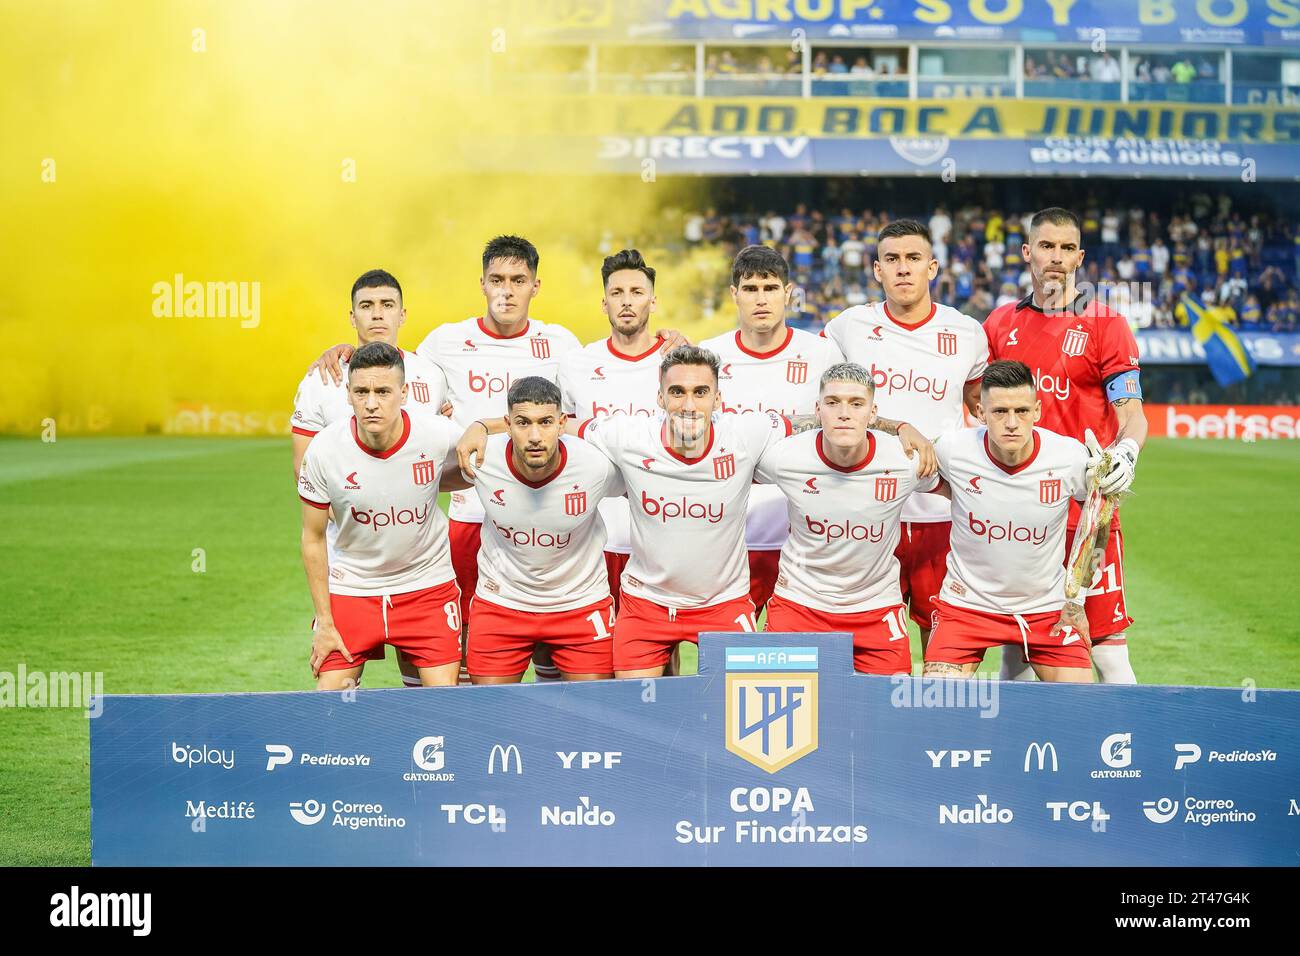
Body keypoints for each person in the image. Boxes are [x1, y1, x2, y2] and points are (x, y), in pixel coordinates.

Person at [457, 346, 934, 679]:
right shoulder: (625, 436)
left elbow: (830, 417)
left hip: (723, 605)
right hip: (645, 606)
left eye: (700, 392)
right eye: (678, 392)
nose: (689, 403)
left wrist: (899, 425)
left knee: (739, 720)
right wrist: (484, 424)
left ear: (717, 399)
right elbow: (548, 419)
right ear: (660, 397)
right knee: (634, 721)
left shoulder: (747, 434)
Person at [983, 207, 1145, 684]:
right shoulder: (999, 324)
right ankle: (1019, 755)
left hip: (1083, 514)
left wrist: (1127, 452)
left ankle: (1127, 754)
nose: (1056, 257)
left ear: (1080, 257)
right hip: (1016, 514)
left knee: (1108, 651)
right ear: (1027, 252)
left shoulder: (1106, 324)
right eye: (1046, 246)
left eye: (1066, 248)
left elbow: (1131, 411)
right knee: (1016, 654)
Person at [822, 218, 989, 651]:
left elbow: (980, 403)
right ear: (876, 270)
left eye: (913, 259)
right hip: (867, 513)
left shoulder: (967, 332)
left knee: (943, 643)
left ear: (932, 267)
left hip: (942, 515)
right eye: (891, 260)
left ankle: (936, 718)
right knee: (867, 640)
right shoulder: (848, 327)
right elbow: (823, 403)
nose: (903, 269)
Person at [291, 269, 450, 687]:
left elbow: (440, 459)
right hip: (350, 564)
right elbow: (306, 475)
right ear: (352, 316)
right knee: (334, 696)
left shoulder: (430, 376)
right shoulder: (322, 379)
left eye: (386, 305)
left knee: (429, 693)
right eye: (366, 306)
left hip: (420, 568)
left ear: (403, 313)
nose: (377, 315)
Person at [756, 363, 938, 674]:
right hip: (799, 605)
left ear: (873, 413)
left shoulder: (905, 460)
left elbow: (965, 489)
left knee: (888, 716)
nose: (844, 413)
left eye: (856, 404)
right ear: (817, 409)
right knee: (782, 715)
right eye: (832, 403)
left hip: (876, 608)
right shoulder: (784, 457)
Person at [923, 360, 1094, 683]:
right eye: (1000, 412)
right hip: (966, 606)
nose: (1012, 423)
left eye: (1022, 411)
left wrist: (1077, 600)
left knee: (1080, 709)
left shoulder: (1070, 457)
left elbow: (1095, 522)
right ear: (979, 412)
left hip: (1047, 609)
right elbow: (913, 469)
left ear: (1038, 411)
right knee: (936, 703)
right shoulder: (952, 450)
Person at [701, 246, 845, 614]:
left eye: (770, 287)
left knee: (801, 660)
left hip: (804, 538)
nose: (761, 298)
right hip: (728, 539)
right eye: (750, 289)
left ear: (788, 292)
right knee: (724, 658)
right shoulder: (709, 356)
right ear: (734, 294)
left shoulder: (822, 354)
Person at [465, 377, 622, 683]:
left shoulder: (595, 466)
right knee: (488, 717)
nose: (535, 436)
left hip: (580, 603)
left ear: (562, 423)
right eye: (523, 423)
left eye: (546, 422)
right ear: (507, 424)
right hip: (502, 603)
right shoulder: (480, 459)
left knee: (597, 718)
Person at [558, 249, 672, 610]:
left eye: (637, 292)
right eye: (617, 293)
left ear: (653, 301)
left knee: (660, 651)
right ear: (603, 302)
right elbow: (558, 437)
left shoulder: (677, 363)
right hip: (593, 536)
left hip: (661, 536)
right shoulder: (577, 364)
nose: (626, 302)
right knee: (592, 652)